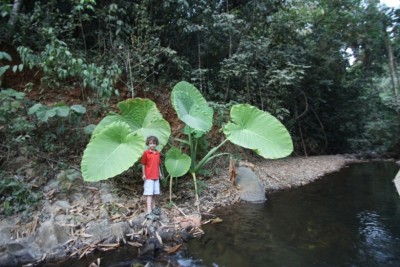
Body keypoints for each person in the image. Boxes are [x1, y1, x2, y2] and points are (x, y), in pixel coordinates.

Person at [141, 136, 163, 216]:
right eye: (150, 143)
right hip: (149, 176)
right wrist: (143, 174)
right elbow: (143, 164)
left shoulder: (157, 153)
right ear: (148, 144)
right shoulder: (146, 153)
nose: (152, 145)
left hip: (156, 176)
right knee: (149, 193)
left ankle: (153, 208)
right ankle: (149, 211)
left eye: (154, 143)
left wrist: (160, 174)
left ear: (156, 144)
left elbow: (158, 165)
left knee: (155, 193)